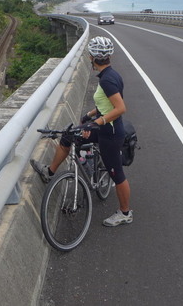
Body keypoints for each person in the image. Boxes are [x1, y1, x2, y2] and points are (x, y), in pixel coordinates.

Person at [31, 36, 132, 227]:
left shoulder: (107, 81)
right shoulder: (111, 75)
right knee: (70, 134)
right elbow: (106, 104)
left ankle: (125, 213)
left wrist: (98, 122)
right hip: (104, 128)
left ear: (92, 57)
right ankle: (50, 172)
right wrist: (89, 116)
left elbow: (120, 108)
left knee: (117, 174)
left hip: (110, 134)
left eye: (89, 55)